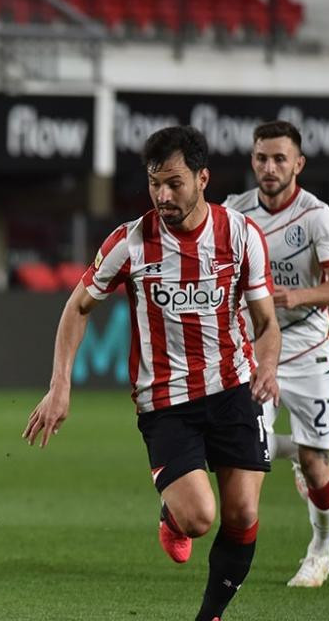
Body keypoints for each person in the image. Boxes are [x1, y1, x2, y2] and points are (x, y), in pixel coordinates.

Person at [23, 126, 280, 621]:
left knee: (244, 514)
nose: (162, 195)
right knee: (200, 517)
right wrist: (60, 386)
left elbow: (266, 320)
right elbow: (78, 307)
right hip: (166, 402)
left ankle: (210, 616)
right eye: (154, 183)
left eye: (174, 183)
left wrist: (267, 364)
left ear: (203, 179)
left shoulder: (242, 235)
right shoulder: (130, 243)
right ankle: (173, 514)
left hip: (232, 387)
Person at [223, 120, 329, 587]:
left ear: (298, 164)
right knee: (241, 448)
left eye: (279, 159)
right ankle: (231, 564)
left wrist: (295, 297)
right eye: (260, 158)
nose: (269, 168)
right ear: (252, 160)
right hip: (254, 349)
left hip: (309, 347)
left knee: (317, 464)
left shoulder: (317, 217)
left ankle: (320, 552)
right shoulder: (235, 211)